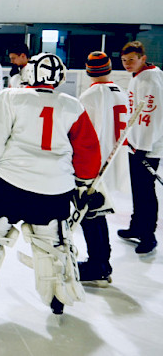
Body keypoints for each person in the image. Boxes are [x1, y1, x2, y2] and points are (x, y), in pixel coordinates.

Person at [0, 53, 100, 316]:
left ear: (30, 72)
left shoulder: (10, 97)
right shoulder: (72, 106)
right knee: (54, 245)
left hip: (9, 184)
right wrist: (84, 182)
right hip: (55, 189)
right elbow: (88, 152)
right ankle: (58, 295)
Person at [77, 51, 130, 284]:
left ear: (88, 70)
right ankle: (101, 262)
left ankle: (98, 264)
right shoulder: (121, 92)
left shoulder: (90, 95)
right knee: (97, 214)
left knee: (91, 214)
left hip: (94, 164)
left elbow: (83, 135)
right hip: (115, 160)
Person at [118, 41, 163, 256]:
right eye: (124, 60)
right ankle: (137, 226)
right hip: (137, 144)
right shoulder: (140, 75)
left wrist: (143, 146)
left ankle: (148, 235)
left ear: (142, 58)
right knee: (138, 189)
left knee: (145, 191)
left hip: (147, 147)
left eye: (131, 60)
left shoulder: (150, 79)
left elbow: (152, 116)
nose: (127, 64)